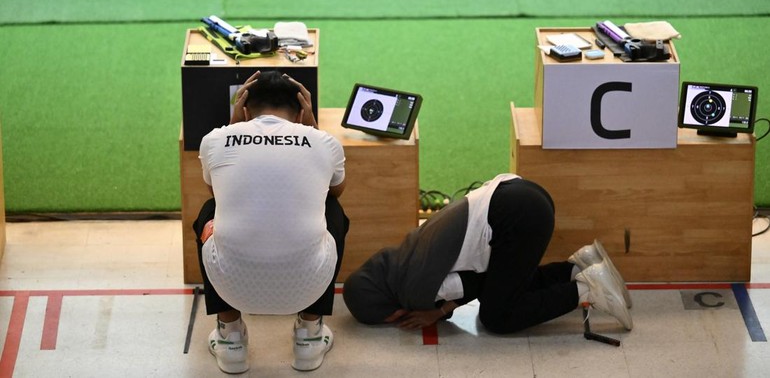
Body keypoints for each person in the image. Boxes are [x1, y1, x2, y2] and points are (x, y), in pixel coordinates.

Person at [194, 70, 349, 373]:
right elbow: (336, 190)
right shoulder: (324, 142)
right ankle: (310, 335)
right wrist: (313, 129)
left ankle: (230, 340)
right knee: (333, 210)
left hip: (231, 286)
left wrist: (235, 126)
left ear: (245, 107)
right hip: (308, 285)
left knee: (209, 211)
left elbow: (217, 190)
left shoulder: (214, 140)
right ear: (302, 108)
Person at [343, 173, 632, 334]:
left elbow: (476, 285)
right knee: (505, 284)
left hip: (518, 218)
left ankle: (588, 289)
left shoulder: (413, 289)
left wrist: (439, 310)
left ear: (390, 312)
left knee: (498, 315)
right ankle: (579, 266)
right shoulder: (402, 255)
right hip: (522, 194)